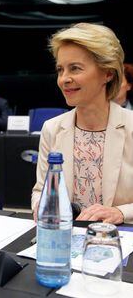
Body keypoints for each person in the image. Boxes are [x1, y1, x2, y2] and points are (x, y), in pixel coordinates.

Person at [32, 23, 133, 224]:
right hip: (64, 242)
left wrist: (121, 213)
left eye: (75, 68)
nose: (64, 79)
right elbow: (40, 190)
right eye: (60, 70)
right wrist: (41, 207)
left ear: (108, 73)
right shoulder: (52, 128)